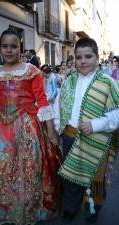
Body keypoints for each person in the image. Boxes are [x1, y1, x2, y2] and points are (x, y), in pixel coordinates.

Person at [0, 29, 62, 225]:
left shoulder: (31, 71)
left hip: (26, 128)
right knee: (3, 168)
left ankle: (28, 204)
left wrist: (51, 130)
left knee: (27, 168)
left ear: (20, 48)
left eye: (14, 46)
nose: (9, 50)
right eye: (5, 46)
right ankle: (6, 205)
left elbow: (42, 100)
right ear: (0, 48)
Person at [53, 37, 119, 223]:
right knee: (72, 177)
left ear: (97, 58)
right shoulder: (67, 82)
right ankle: (72, 206)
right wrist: (56, 130)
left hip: (97, 139)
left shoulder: (108, 83)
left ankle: (92, 208)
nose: (83, 61)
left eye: (88, 56)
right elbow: (59, 106)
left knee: (94, 178)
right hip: (69, 137)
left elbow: (117, 112)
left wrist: (95, 125)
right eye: (79, 57)